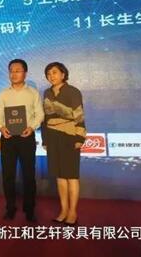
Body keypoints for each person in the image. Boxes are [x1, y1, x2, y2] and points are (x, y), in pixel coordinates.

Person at [0, 59, 44, 222]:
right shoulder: (4, 93)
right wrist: (1, 127)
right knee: (8, 175)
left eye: (17, 70)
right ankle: (10, 208)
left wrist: (32, 127)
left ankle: (29, 209)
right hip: (8, 138)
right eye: (11, 71)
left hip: (26, 137)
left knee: (28, 175)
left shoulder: (33, 93)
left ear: (25, 73)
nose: (14, 74)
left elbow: (40, 114)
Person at [42, 62, 86, 226]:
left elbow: (79, 116)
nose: (51, 76)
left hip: (70, 136)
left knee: (71, 176)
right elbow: (46, 118)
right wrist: (45, 139)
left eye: (54, 72)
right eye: (48, 73)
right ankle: (63, 210)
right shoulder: (47, 93)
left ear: (63, 74)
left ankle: (73, 212)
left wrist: (79, 138)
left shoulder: (73, 91)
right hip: (52, 137)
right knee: (60, 176)